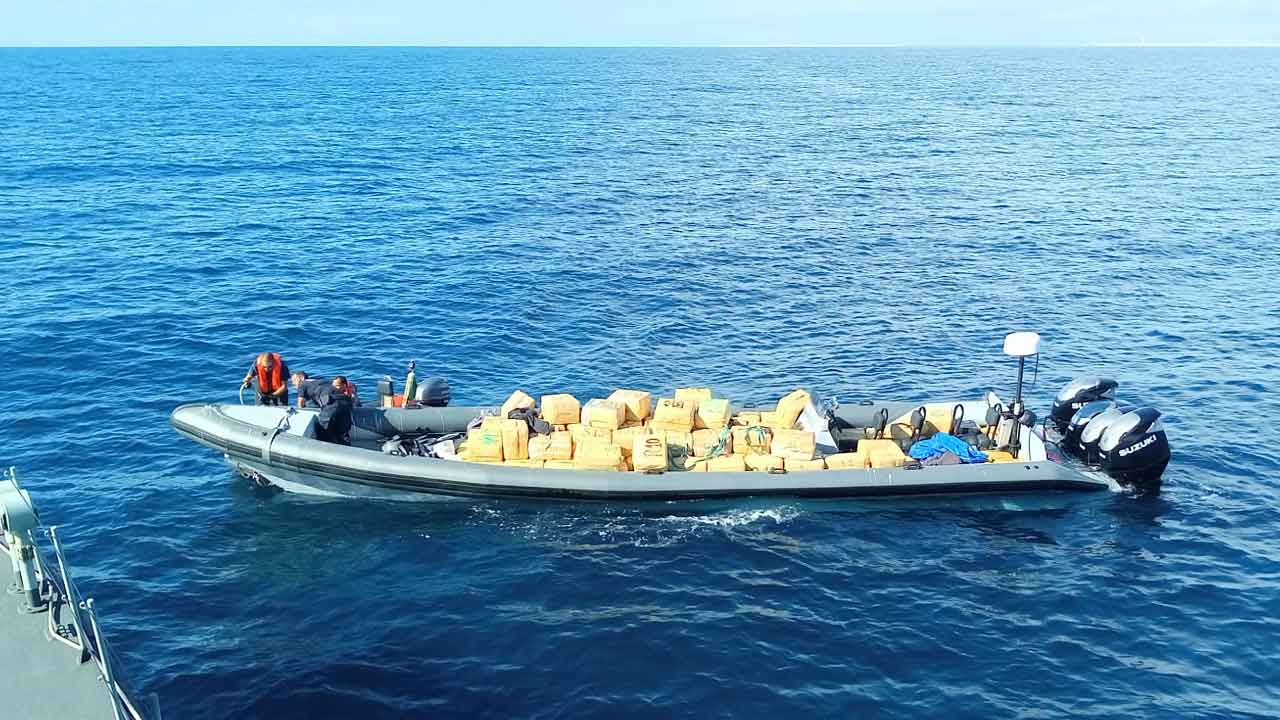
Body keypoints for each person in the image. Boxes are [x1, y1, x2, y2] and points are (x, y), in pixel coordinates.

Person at [291, 372, 354, 445]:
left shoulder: (302, 384)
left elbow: (300, 403)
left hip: (332, 403)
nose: (294, 384)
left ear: (301, 378)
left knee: (322, 430)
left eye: (294, 381)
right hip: (346, 401)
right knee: (343, 433)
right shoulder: (321, 381)